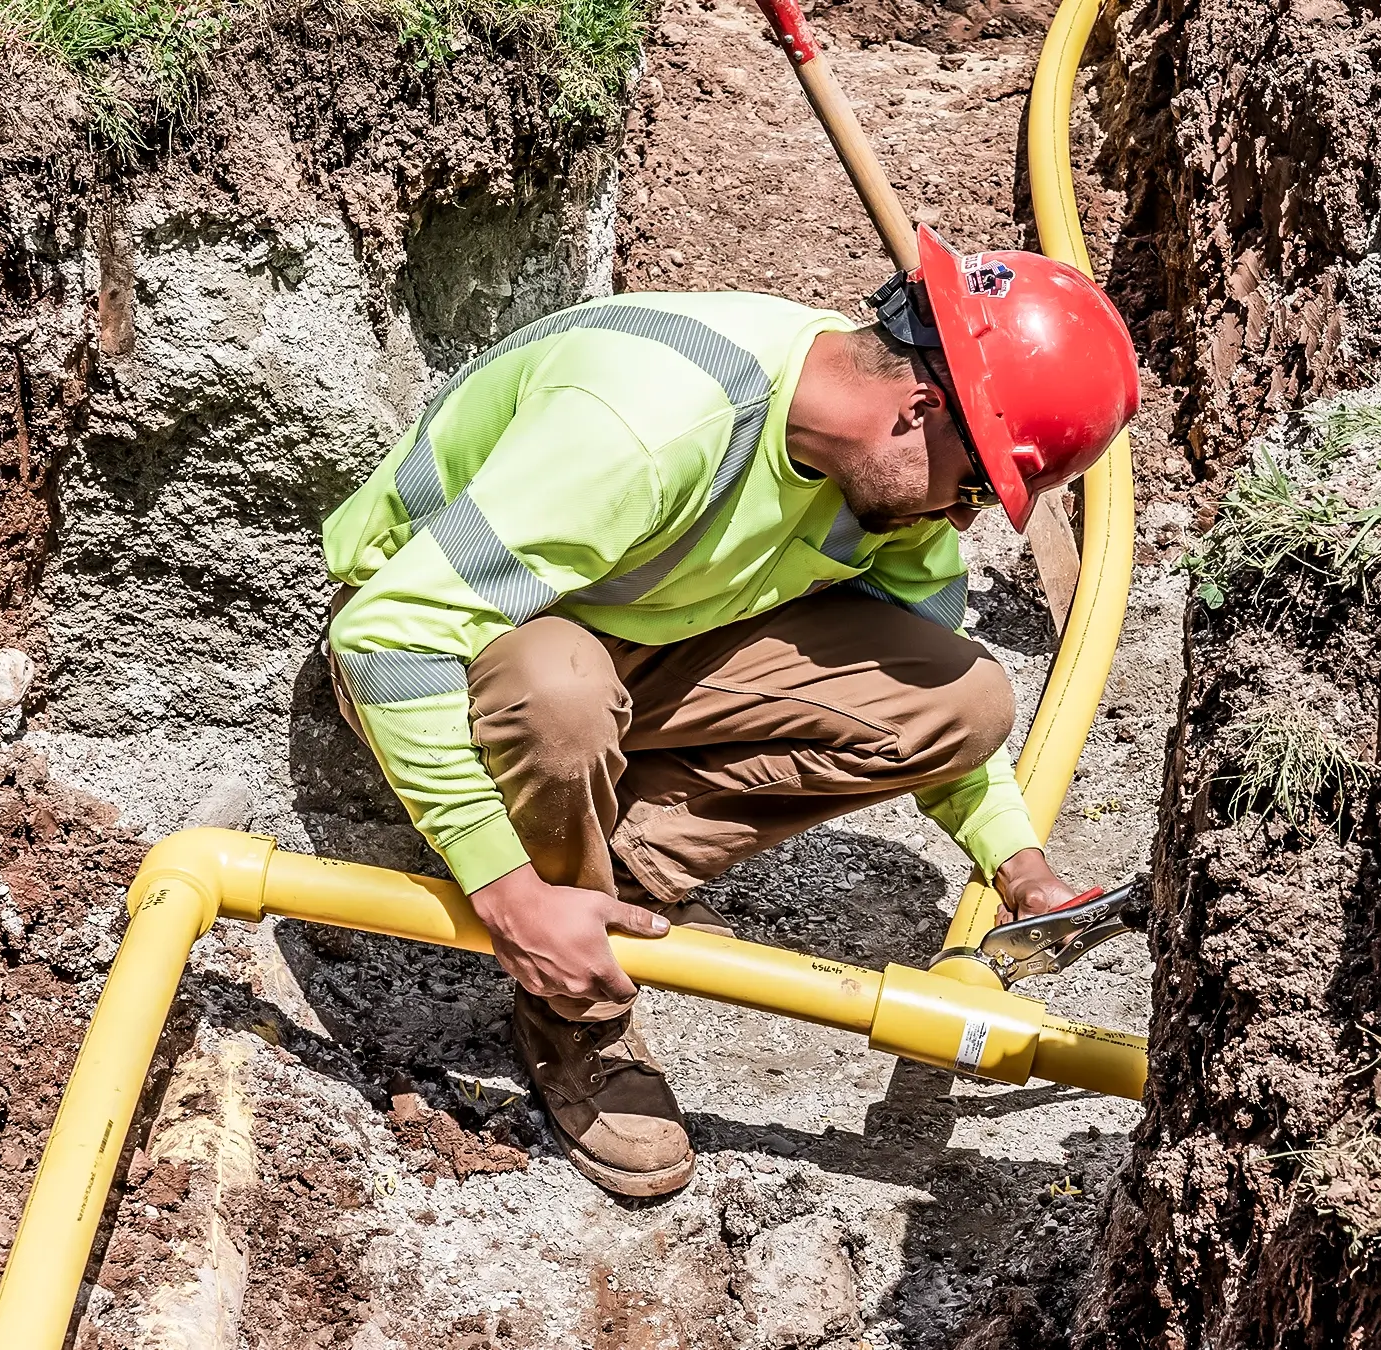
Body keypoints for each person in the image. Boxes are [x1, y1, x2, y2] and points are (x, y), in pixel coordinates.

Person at [318, 226, 1139, 1197]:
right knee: (562, 695)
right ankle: (568, 999)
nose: (964, 521)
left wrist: (1016, 861)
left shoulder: (870, 478)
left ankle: (609, 876)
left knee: (967, 700)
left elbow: (927, 689)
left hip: (634, 630)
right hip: (463, 642)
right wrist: (504, 892)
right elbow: (385, 632)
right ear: (919, 408)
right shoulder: (653, 425)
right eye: (974, 489)